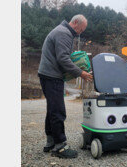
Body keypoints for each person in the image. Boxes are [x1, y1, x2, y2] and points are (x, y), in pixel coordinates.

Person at [38, 14, 93, 158]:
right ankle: (60, 147)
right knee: (58, 111)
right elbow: (63, 58)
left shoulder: (61, 31)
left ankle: (50, 142)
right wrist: (80, 72)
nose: (79, 33)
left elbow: (63, 56)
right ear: (75, 22)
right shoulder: (64, 33)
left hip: (47, 75)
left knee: (52, 109)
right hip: (52, 76)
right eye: (80, 30)